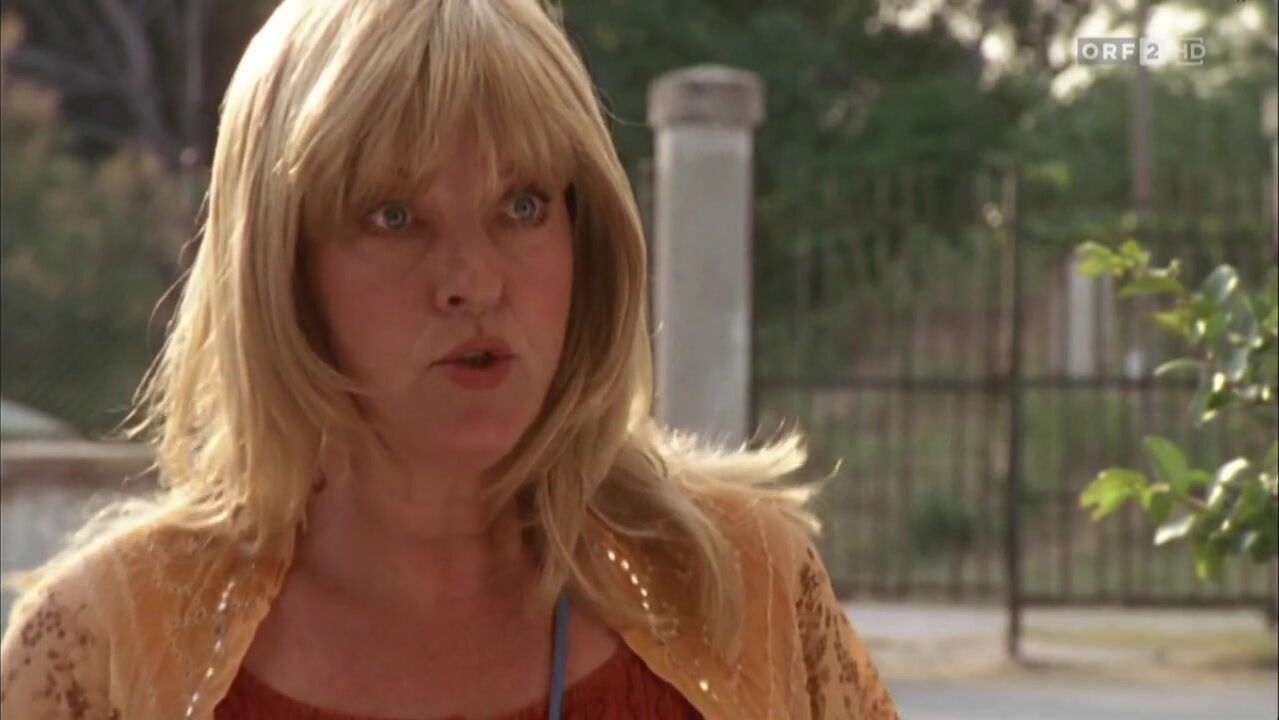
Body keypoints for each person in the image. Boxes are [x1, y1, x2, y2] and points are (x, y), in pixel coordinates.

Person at [0, 1, 898, 718]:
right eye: (394, 216)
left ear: (586, 236)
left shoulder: (740, 591)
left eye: (522, 206)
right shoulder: (105, 649)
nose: (472, 281)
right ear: (282, 267)